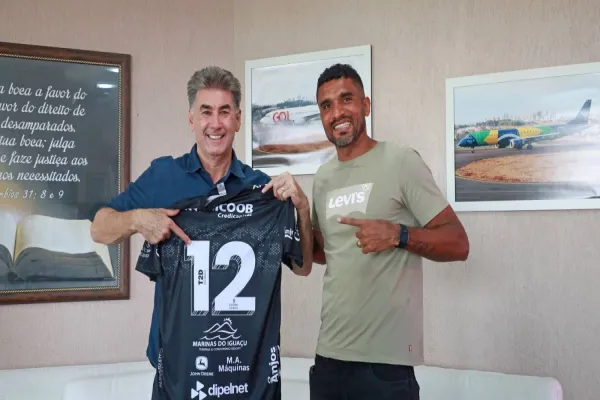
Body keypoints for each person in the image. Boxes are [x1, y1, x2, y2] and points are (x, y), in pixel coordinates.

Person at [90, 66, 312, 371]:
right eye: (206, 112)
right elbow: (99, 228)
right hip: (177, 364)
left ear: (238, 119)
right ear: (191, 118)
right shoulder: (163, 176)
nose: (215, 123)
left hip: (243, 364)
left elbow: (302, 267)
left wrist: (302, 209)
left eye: (225, 112)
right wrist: (138, 219)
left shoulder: (262, 189)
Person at [308, 63, 470, 400]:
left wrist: (399, 235)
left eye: (346, 99)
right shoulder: (322, 179)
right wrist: (291, 212)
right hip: (328, 358)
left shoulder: (401, 161)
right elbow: (324, 252)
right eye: (326, 105)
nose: (337, 113)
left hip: (385, 367)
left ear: (366, 105)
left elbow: (458, 243)